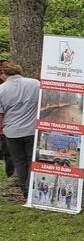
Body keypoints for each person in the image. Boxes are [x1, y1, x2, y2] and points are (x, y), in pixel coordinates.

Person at [0, 61, 41, 193]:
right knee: (32, 160)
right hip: (32, 129)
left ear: (4, 74)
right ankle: (31, 186)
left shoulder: (2, 89)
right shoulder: (35, 84)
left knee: (19, 161)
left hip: (12, 132)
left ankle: (25, 190)